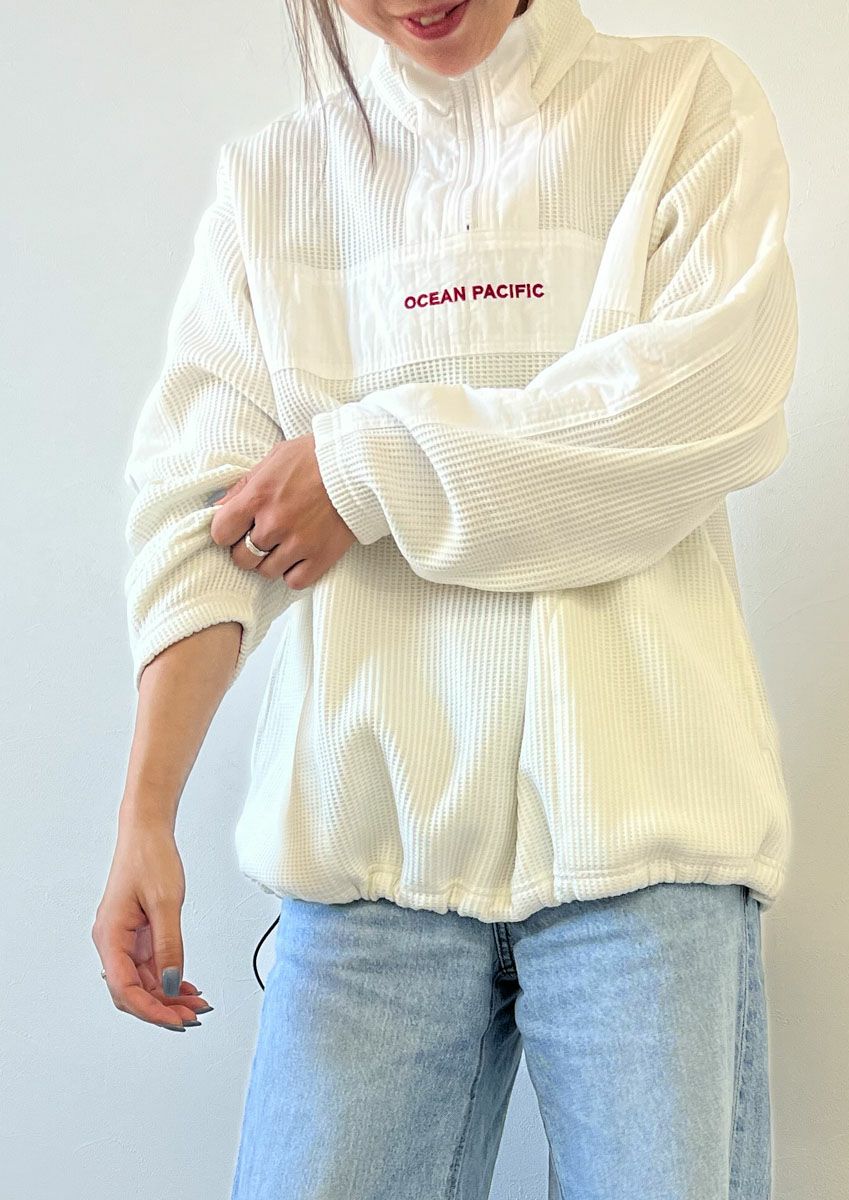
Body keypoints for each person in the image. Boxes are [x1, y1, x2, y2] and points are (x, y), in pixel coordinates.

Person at [93, 0, 798, 1195]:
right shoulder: (278, 182)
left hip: (646, 855)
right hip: (366, 861)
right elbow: (201, 514)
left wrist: (360, 467)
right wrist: (143, 814)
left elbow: (699, 405)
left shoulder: (681, 103)